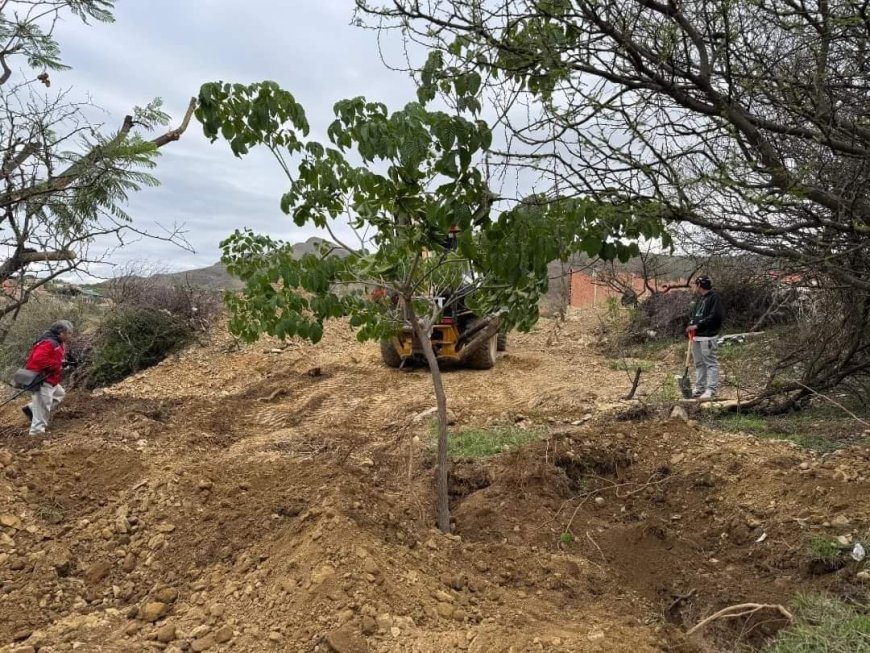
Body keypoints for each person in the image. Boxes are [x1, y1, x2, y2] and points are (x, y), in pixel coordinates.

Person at [22, 320, 73, 436]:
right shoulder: (49, 343)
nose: (70, 336)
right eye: (69, 333)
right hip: (43, 380)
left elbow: (51, 358)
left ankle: (31, 409)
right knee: (43, 408)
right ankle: (36, 434)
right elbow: (38, 360)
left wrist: (62, 363)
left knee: (59, 394)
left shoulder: (56, 342)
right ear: (61, 332)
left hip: (51, 379)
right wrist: (58, 365)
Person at [687, 276, 724, 400]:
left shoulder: (714, 297)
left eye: (695, 284)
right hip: (696, 336)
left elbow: (715, 316)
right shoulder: (700, 299)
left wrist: (697, 325)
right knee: (699, 363)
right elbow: (695, 315)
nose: (694, 287)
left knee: (710, 363)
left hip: (708, 336)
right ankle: (699, 388)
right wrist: (691, 326)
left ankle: (711, 389)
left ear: (699, 285)